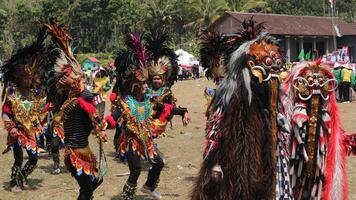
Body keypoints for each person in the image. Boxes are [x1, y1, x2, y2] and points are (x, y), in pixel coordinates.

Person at [191, 19, 291, 199]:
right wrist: (213, 162)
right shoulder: (233, 96)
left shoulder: (270, 97)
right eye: (267, 65)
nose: (274, 74)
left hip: (266, 156)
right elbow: (215, 133)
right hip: (233, 161)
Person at [105, 33, 189, 200]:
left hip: (147, 141)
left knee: (159, 164)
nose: (146, 86)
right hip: (130, 142)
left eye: (146, 83)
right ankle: (127, 197)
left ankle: (148, 187)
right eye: (143, 84)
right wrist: (104, 125)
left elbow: (167, 107)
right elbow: (113, 117)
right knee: (135, 170)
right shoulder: (126, 102)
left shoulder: (149, 101)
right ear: (135, 86)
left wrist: (183, 111)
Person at [41, 20, 107, 200]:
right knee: (87, 188)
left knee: (93, 183)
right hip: (74, 152)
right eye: (65, 77)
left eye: (70, 76)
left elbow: (91, 103)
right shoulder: (68, 100)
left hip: (84, 150)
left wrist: (99, 127)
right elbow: (82, 100)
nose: (66, 79)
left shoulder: (82, 97)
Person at [287, 60, 351, 199]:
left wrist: (346, 141)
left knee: (318, 188)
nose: (316, 83)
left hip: (320, 167)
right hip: (298, 165)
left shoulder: (326, 114)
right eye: (310, 80)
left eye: (320, 80)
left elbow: (334, 137)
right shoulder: (298, 111)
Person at [0, 28, 47, 192]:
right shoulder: (12, 93)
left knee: (33, 159)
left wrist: (39, 123)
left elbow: (35, 113)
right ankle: (14, 183)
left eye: (30, 77)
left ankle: (23, 176)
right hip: (17, 131)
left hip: (30, 132)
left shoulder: (35, 95)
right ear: (19, 78)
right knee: (18, 158)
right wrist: (10, 127)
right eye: (25, 77)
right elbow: (5, 112)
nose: (28, 80)